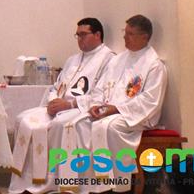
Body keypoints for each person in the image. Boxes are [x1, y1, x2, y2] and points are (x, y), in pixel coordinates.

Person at [53, 14, 168, 194]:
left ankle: (119, 185)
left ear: (144, 37)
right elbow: (101, 89)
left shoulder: (154, 65)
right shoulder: (119, 60)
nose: (124, 37)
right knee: (79, 123)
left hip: (136, 116)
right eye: (125, 32)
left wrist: (114, 109)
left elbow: (149, 101)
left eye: (130, 34)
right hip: (110, 111)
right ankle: (87, 184)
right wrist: (97, 105)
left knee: (109, 127)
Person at [9, 17, 114, 193]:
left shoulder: (108, 60)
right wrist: (52, 102)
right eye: (77, 35)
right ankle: (26, 182)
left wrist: (70, 104)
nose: (80, 39)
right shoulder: (73, 59)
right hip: (59, 107)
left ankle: (55, 183)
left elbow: (102, 95)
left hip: (80, 110)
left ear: (97, 35)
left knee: (60, 125)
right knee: (23, 120)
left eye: (84, 34)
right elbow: (56, 86)